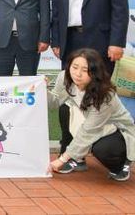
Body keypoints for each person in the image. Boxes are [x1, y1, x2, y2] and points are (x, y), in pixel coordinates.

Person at [48, 48, 134, 182]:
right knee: (65, 108)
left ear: (95, 72)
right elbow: (54, 102)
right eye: (74, 67)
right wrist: (42, 90)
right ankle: (76, 158)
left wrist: (62, 159)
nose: (78, 74)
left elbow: (89, 131)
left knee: (103, 149)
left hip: (116, 129)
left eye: (85, 70)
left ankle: (121, 164)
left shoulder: (105, 95)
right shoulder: (64, 77)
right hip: (91, 122)